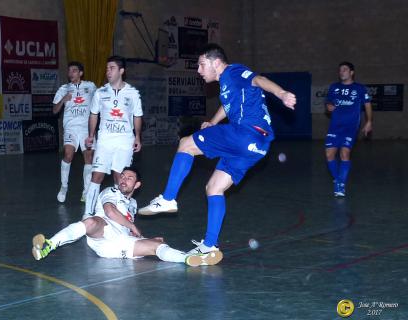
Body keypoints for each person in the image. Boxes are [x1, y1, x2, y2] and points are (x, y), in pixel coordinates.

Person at [137, 43, 296, 255]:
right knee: (214, 188)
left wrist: (282, 93)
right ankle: (210, 245)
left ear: (217, 63)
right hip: (256, 147)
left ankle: (167, 199)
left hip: (246, 133)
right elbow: (227, 105)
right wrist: (213, 122)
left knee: (186, 143)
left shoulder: (233, 71)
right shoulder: (228, 85)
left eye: (202, 65)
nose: (199, 70)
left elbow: (259, 80)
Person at [32, 168, 222, 267]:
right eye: (122, 176)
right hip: (102, 233)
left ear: (137, 185)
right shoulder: (111, 191)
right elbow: (110, 212)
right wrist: (133, 226)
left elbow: (127, 228)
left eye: (129, 178)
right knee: (90, 222)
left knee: (157, 247)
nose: (123, 180)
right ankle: (48, 245)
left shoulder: (133, 204)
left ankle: (190, 259)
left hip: (117, 244)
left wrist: (143, 237)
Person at [83, 56, 143, 218]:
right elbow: (94, 114)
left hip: (125, 141)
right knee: (97, 175)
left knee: (119, 177)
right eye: (107, 68)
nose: (107, 71)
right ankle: (88, 214)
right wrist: (90, 135)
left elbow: (137, 116)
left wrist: (137, 137)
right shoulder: (100, 93)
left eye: (112, 68)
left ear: (121, 71)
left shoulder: (133, 93)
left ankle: (120, 212)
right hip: (104, 141)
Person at [325, 61, 373, 197]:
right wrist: (329, 106)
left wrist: (369, 122)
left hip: (350, 126)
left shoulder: (360, 88)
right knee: (329, 155)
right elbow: (329, 102)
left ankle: (340, 185)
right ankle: (338, 180)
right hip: (335, 126)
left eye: (345, 69)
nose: (342, 72)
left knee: (344, 154)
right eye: (340, 70)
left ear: (352, 72)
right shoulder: (334, 87)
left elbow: (368, 105)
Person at [53, 61, 97, 203]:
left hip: (86, 128)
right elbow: (55, 110)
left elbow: (100, 101)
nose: (71, 73)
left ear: (80, 73)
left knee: (89, 159)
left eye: (74, 70)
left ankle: (86, 191)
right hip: (71, 127)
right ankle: (64, 187)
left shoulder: (90, 86)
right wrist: (63, 100)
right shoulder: (63, 89)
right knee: (68, 155)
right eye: (69, 70)